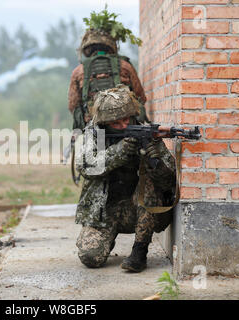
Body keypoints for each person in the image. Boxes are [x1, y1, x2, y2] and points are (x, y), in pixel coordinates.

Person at [74, 84, 176, 272]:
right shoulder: (94, 134)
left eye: (126, 120)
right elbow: (86, 167)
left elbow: (169, 182)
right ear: (105, 122)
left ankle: (139, 251)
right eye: (116, 124)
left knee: (151, 184)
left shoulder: (146, 133)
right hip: (103, 212)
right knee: (91, 257)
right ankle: (107, 238)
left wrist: (155, 161)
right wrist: (118, 152)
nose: (123, 126)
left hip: (138, 210)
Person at [68, 28, 147, 131]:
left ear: (88, 48)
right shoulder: (125, 66)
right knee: (130, 146)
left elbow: (73, 105)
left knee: (99, 147)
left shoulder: (79, 71)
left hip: (96, 128)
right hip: (125, 126)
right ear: (111, 46)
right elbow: (140, 97)